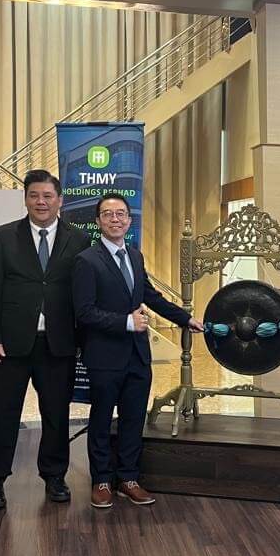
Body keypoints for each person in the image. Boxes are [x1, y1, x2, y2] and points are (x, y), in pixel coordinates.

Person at [72, 192, 203, 509]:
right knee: (101, 420)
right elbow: (84, 312)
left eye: (121, 213)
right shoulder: (86, 261)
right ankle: (102, 481)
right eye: (108, 214)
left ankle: (128, 479)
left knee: (133, 420)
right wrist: (126, 322)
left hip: (137, 357)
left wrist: (185, 318)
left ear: (129, 220)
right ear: (98, 221)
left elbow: (150, 296)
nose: (115, 219)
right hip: (104, 357)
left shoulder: (134, 256)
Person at [0, 169, 89, 510]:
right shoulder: (3, 236)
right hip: (10, 345)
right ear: (25, 199)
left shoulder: (79, 239)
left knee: (55, 414)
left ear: (60, 200)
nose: (41, 202)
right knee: (2, 414)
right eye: (34, 195)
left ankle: (54, 476)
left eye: (47, 196)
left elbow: (83, 294)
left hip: (58, 343)